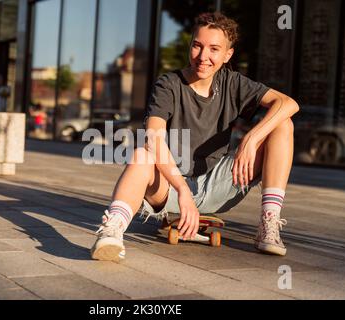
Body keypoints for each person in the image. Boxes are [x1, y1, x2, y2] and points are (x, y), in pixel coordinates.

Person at [90, 12, 299, 262]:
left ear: (227, 55)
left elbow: (288, 103)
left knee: (282, 124)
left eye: (214, 49)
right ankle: (112, 231)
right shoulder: (168, 84)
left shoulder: (233, 83)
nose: (203, 57)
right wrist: (181, 189)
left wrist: (252, 138)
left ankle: (269, 223)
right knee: (142, 154)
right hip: (170, 187)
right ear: (190, 46)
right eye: (197, 46)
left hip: (218, 185)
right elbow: (153, 138)